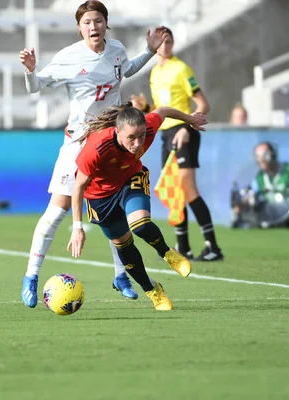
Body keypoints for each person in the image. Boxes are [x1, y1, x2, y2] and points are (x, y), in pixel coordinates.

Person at [18, 0, 169, 307]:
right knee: (57, 210)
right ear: (79, 27)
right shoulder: (69, 57)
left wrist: (150, 52)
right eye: (87, 22)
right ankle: (31, 277)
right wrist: (31, 71)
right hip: (78, 143)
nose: (93, 27)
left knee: (116, 209)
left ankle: (120, 275)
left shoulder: (116, 49)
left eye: (98, 20)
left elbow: (126, 70)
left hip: (112, 141)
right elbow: (36, 87)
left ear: (105, 23)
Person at [67, 103, 207, 310]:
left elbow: (163, 111)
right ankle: (152, 290)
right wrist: (77, 228)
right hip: (100, 197)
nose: (137, 143)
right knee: (123, 246)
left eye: (140, 136)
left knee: (140, 224)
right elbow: (78, 187)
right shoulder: (97, 147)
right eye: (131, 138)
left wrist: (190, 119)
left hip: (129, 180)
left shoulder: (147, 128)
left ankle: (168, 253)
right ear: (117, 132)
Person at [130, 27, 223, 262]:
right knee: (174, 189)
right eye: (161, 41)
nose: (165, 45)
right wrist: (145, 110)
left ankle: (212, 246)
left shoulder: (181, 69)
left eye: (169, 41)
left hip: (184, 132)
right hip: (165, 134)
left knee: (188, 188)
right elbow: (161, 111)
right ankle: (184, 247)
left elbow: (203, 103)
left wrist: (187, 126)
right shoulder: (154, 73)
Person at [231, 141, 289, 229]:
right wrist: (240, 205)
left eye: (265, 155)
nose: (261, 160)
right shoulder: (260, 177)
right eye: (258, 156)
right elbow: (251, 194)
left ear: (273, 155)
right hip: (269, 217)